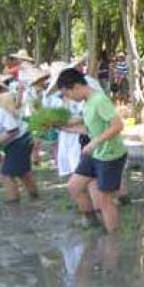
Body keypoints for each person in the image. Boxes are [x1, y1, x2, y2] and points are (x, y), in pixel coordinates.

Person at [56, 68, 128, 233]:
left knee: (105, 200)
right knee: (74, 186)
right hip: (95, 153)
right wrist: (65, 128)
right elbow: (89, 128)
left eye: (67, 93)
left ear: (75, 86)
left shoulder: (99, 100)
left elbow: (118, 125)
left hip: (110, 155)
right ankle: (92, 221)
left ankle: (113, 236)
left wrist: (94, 143)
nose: (68, 98)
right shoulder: (87, 102)